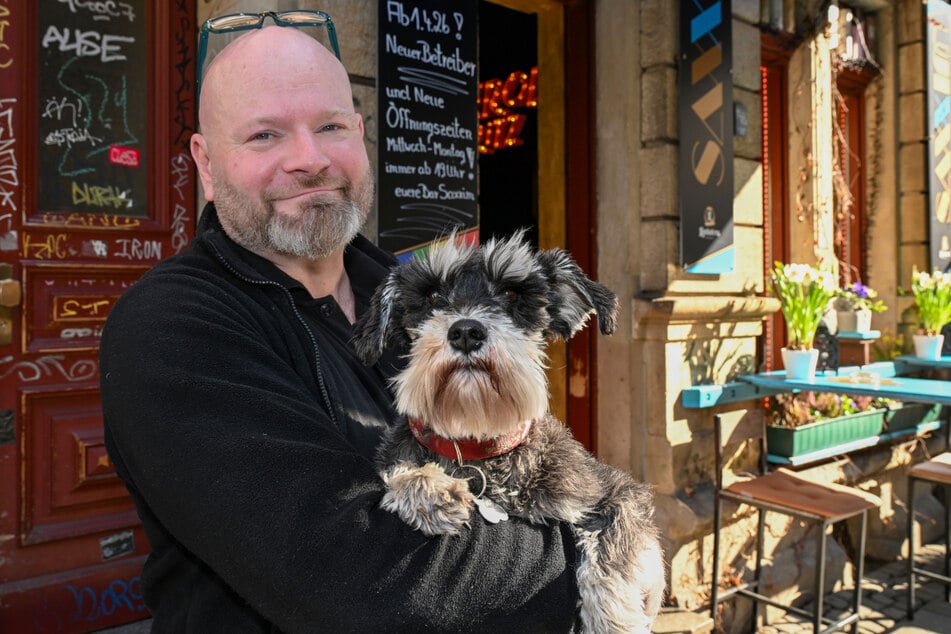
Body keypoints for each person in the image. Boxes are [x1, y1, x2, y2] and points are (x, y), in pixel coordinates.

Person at [99, 24, 580, 633]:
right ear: (207, 162)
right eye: (264, 134)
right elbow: (368, 582)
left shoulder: (418, 297)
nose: (311, 159)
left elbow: (525, 462)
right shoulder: (170, 327)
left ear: (359, 132)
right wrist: (597, 547)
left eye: (330, 126)